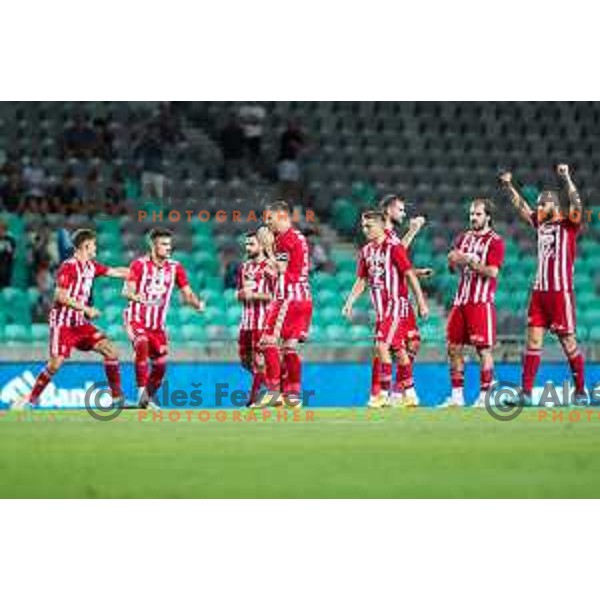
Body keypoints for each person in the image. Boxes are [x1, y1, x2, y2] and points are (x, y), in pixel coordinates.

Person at [500, 165, 586, 403]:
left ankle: (580, 391)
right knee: (533, 341)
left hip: (561, 293)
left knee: (568, 343)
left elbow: (577, 203)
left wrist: (566, 178)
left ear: (555, 206)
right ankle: (526, 393)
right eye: (538, 204)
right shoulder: (541, 226)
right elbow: (522, 208)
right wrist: (509, 187)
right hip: (539, 293)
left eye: (543, 203)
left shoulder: (569, 225)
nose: (538, 207)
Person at [19, 229, 129, 409]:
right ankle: (31, 401)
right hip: (63, 323)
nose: (96, 248)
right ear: (86, 246)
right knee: (55, 364)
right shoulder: (68, 266)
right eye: (94, 245)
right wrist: (86, 308)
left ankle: (117, 399)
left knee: (111, 351)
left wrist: (141, 272)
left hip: (80, 324)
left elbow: (115, 271)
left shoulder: (92, 266)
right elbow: (60, 296)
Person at [343, 211, 429, 408]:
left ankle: (382, 393)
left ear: (382, 226)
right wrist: (350, 302)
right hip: (381, 310)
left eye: (369, 226)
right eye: (363, 226)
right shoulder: (366, 251)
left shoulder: (394, 247)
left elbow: (409, 275)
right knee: (398, 350)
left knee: (381, 345)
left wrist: (421, 303)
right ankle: (410, 393)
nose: (365, 230)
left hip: (395, 305)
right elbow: (362, 279)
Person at [123, 228, 205, 410]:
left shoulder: (176, 267)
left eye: (170, 244)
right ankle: (141, 391)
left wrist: (197, 305)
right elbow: (126, 290)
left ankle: (145, 400)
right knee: (141, 342)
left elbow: (187, 294)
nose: (168, 248)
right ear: (153, 245)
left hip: (157, 327)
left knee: (160, 367)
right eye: (164, 244)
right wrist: (136, 297)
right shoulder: (138, 265)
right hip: (136, 319)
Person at [441, 199, 505, 408]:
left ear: (488, 217)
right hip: (461, 301)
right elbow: (453, 266)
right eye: (471, 214)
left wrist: (470, 261)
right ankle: (457, 397)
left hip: (481, 302)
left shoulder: (495, 241)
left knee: (483, 350)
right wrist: (452, 260)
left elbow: (493, 272)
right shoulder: (464, 238)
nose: (473, 218)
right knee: (453, 347)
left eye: (477, 214)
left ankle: (485, 395)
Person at [256, 200, 313, 408]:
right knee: (289, 347)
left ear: (281, 216)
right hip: (304, 298)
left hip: (287, 298)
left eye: (270, 218)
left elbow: (279, 268)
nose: (267, 223)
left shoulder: (284, 239)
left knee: (268, 342)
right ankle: (294, 395)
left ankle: (274, 392)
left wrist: (266, 247)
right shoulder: (299, 236)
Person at [378, 194, 431, 406]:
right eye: (400, 210)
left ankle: (399, 391)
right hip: (392, 300)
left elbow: (397, 261)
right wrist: (413, 230)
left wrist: (415, 272)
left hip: (401, 297)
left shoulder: (390, 237)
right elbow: (390, 265)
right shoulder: (381, 235)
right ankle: (390, 392)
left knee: (412, 343)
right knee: (392, 346)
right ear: (388, 211)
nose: (403, 213)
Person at [236, 229, 277, 407]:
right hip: (246, 322)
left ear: (261, 244)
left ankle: (252, 400)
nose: (248, 247)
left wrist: (255, 295)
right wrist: (241, 294)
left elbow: (276, 295)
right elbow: (239, 292)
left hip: (263, 322)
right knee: (245, 362)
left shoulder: (270, 266)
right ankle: (275, 388)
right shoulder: (245, 267)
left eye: (251, 244)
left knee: (259, 362)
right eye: (246, 244)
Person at [0, 220, 16, 288]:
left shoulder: (10, 240)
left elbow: (13, 253)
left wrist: (7, 246)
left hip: (6, 264)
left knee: (5, 282)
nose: (1, 231)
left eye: (3, 229)